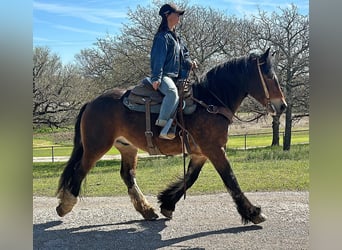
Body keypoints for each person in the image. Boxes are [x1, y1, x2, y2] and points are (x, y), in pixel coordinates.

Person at [150, 3, 196, 140]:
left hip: (177, 76)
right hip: (165, 76)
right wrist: (156, 78)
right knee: (171, 93)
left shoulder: (177, 38)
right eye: (177, 14)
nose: (179, 16)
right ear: (167, 15)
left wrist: (190, 62)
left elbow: (185, 55)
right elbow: (157, 58)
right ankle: (163, 126)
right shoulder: (162, 37)